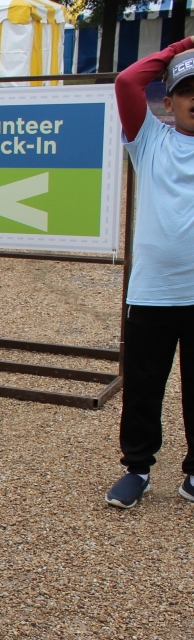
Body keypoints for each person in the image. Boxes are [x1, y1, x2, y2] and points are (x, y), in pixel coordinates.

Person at [106, 36, 194, 508]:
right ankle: (137, 469)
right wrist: (184, 45)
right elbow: (127, 80)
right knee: (143, 388)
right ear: (170, 99)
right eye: (186, 89)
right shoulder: (150, 139)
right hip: (154, 292)